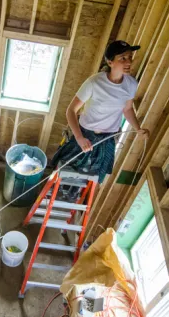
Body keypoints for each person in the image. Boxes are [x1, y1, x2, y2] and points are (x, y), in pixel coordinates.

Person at [52, 40, 149, 199]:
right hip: (85, 134)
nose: (129, 62)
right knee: (70, 167)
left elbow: (127, 109)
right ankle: (59, 190)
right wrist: (79, 138)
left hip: (107, 139)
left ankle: (73, 195)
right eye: (123, 58)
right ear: (110, 62)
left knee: (93, 173)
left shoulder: (131, 84)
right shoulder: (94, 82)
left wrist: (138, 128)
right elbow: (71, 110)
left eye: (130, 57)